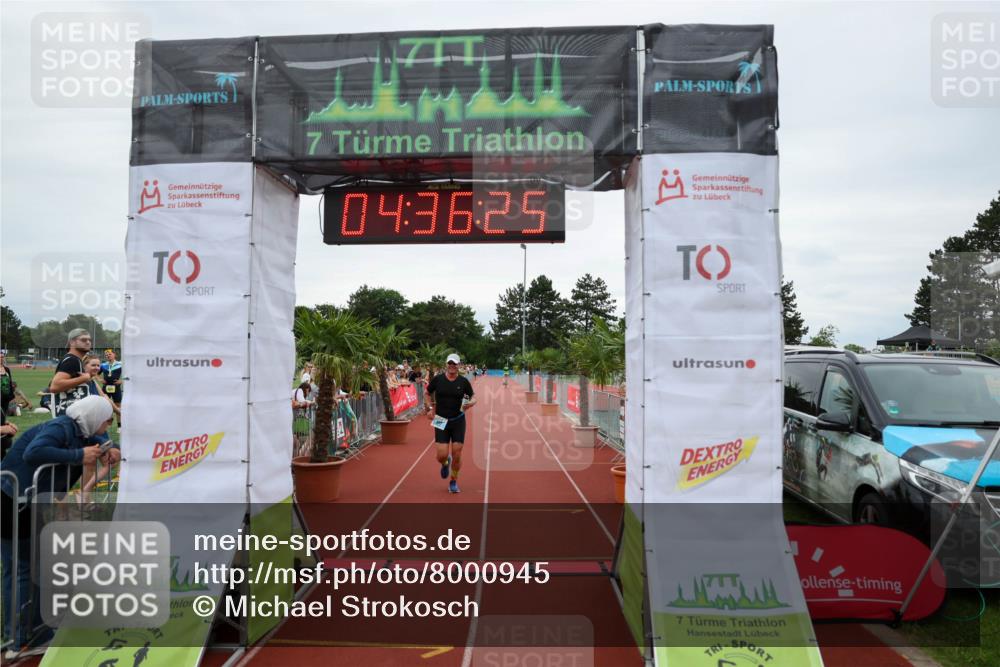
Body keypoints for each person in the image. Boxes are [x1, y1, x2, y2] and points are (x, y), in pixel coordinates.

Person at [1, 396, 117, 652]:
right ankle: (18, 637)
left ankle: (36, 628)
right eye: (107, 421)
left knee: (36, 565)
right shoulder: (61, 428)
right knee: (20, 569)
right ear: (95, 417)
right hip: (12, 501)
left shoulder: (78, 428)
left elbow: (93, 439)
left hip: (26, 501)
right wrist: (79, 455)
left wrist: (111, 446)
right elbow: (35, 453)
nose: (108, 426)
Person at [425, 353, 476, 494]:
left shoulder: (463, 382)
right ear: (446, 364)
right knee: (441, 455)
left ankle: (453, 481)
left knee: (457, 453)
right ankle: (445, 462)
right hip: (440, 419)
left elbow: (473, 397)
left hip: (458, 420)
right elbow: (427, 393)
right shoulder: (438, 380)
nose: (452, 366)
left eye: (455, 364)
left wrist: (471, 403)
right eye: (450, 363)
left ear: (459, 365)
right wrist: (429, 409)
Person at [48, 329, 94, 415]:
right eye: (83, 340)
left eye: (89, 340)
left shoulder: (75, 359)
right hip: (71, 415)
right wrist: (84, 378)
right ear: (72, 342)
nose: (88, 342)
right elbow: (55, 386)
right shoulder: (72, 360)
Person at [100, 349, 123, 424]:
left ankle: (119, 426)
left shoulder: (120, 364)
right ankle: (106, 423)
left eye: (109, 354)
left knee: (118, 407)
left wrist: (122, 381)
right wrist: (100, 380)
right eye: (106, 355)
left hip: (116, 388)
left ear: (114, 354)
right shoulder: (103, 365)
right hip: (105, 388)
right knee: (104, 406)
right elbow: (96, 374)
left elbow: (129, 374)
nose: (108, 356)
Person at [0, 352, 15, 416]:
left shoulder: (7, 369)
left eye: (2, 357)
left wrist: (11, 395)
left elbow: (10, 381)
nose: (1, 358)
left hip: (6, 394)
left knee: (4, 412)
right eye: (0, 357)